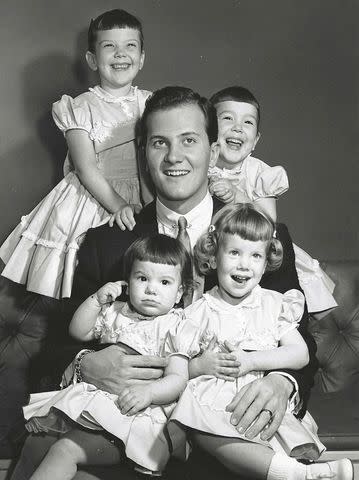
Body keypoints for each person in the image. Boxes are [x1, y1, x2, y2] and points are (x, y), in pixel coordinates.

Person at [11, 86, 318, 480]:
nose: (174, 157)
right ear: (143, 152)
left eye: (189, 140)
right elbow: (55, 349)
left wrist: (280, 383)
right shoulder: (106, 242)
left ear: (213, 148)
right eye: (160, 143)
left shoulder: (259, 237)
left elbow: (303, 344)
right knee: (47, 452)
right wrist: (86, 365)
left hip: (232, 433)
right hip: (127, 428)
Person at [169, 203, 353, 480]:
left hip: (261, 397)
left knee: (262, 434)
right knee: (200, 424)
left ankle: (295, 472)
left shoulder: (276, 304)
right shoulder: (198, 311)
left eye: (255, 255)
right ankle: (299, 475)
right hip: (213, 401)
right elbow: (177, 365)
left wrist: (251, 361)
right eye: (234, 252)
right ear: (214, 257)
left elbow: (300, 353)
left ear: (267, 263)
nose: (244, 264)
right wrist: (200, 365)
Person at [0, 9, 152, 299]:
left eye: (130, 46)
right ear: (93, 60)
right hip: (94, 197)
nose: (121, 54)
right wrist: (119, 205)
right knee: (86, 275)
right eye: (110, 46)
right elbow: (86, 168)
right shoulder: (80, 108)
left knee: (139, 275)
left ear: (142, 57)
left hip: (142, 194)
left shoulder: (150, 103)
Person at [22, 234, 196, 479]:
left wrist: (149, 392)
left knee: (63, 451)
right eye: (142, 278)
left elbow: (178, 379)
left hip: (136, 418)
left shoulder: (175, 326)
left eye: (164, 282)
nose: (151, 289)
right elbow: (78, 332)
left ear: (179, 294)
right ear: (128, 281)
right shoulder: (116, 312)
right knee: (39, 443)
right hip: (96, 406)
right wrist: (95, 301)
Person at [207, 86, 337, 314]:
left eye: (247, 123)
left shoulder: (260, 173)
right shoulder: (201, 167)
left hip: (255, 252)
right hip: (218, 254)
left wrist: (237, 196)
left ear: (255, 140)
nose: (237, 128)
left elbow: (269, 220)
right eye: (227, 118)